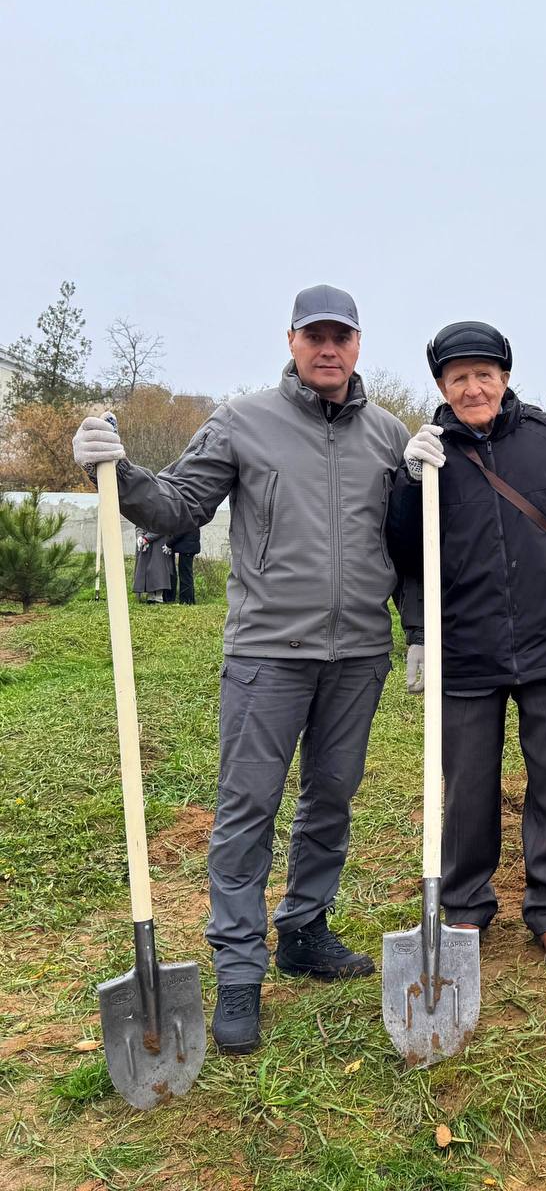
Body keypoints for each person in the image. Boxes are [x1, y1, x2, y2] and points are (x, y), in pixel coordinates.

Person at [72, 285, 408, 1054]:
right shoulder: (243, 421)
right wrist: (119, 473)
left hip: (358, 653)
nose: (329, 349)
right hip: (267, 654)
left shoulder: (388, 434)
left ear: (358, 345)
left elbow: (411, 540)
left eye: (342, 337)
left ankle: (304, 930)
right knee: (247, 809)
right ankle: (238, 970)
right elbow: (177, 507)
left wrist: (427, 481)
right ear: (291, 340)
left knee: (331, 797)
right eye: (314, 336)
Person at [388, 321, 546, 977]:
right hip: (466, 644)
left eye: (483, 374)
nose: (472, 388)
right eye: (457, 377)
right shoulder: (428, 455)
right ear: (440, 385)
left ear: (506, 376)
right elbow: (404, 553)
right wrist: (410, 485)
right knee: (466, 783)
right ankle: (464, 905)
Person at [132, 527, 174, 603]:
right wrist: (140, 537)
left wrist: (146, 538)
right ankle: (150, 594)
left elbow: (163, 526)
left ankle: (159, 595)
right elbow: (139, 524)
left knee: (159, 567)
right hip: (145, 542)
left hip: (160, 540)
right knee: (146, 566)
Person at [163, 528, 203, 605]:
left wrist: (169, 543)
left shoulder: (186, 519)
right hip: (189, 547)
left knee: (185, 575)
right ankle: (189, 600)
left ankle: (186, 601)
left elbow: (179, 532)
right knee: (187, 574)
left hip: (187, 548)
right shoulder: (193, 518)